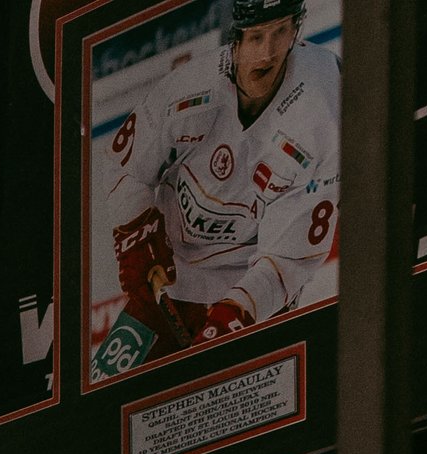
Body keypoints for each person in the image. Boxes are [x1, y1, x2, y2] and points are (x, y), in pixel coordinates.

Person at [98, 4, 339, 379]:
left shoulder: (323, 108)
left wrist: (237, 311)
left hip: (254, 294)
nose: (268, 53)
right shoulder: (185, 90)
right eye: (257, 36)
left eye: (280, 32)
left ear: (297, 29)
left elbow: (288, 259)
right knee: (105, 396)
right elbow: (125, 169)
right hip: (171, 280)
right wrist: (135, 231)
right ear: (235, 41)